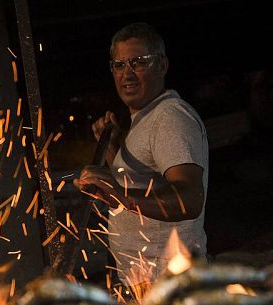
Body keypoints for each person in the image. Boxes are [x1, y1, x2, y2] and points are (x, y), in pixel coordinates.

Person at [73, 22, 208, 287]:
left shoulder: (169, 118)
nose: (128, 74)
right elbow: (138, 185)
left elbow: (190, 199)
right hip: (150, 286)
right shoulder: (146, 118)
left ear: (162, 66)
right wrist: (113, 151)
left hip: (173, 285)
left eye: (139, 62)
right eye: (119, 65)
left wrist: (118, 194)